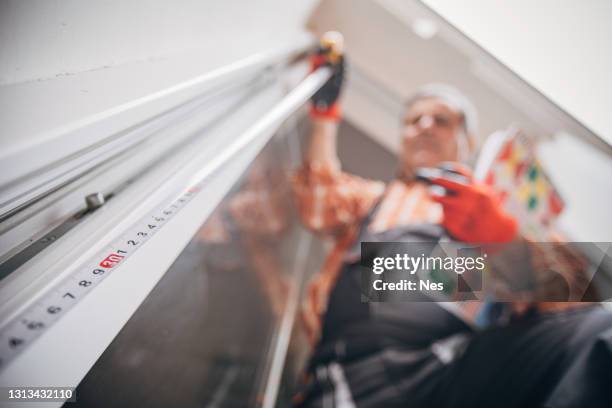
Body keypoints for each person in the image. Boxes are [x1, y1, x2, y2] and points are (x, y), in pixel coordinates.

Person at [291, 33, 612, 408]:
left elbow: (575, 300)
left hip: (461, 371)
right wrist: (325, 117)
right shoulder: (371, 200)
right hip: (355, 378)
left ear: (467, 140)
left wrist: (504, 240)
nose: (425, 126)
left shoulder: (510, 208)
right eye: (414, 120)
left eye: (441, 120)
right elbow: (318, 205)